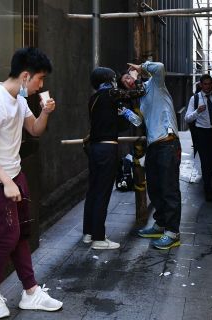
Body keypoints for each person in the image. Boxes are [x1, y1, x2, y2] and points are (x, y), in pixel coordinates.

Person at [0, 47, 62, 319]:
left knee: (21, 232)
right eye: (39, 79)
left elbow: (34, 130)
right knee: (8, 236)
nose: (41, 85)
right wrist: (5, 182)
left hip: (14, 174)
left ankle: (31, 292)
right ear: (25, 76)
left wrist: (45, 112)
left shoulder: (19, 99)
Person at [120, 61, 182, 250]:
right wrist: (125, 112)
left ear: (137, 75)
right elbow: (140, 120)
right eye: (125, 82)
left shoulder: (155, 84)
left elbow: (161, 67)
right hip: (153, 145)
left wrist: (142, 66)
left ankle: (173, 232)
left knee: (168, 188)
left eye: (128, 77)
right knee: (155, 188)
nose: (128, 82)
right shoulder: (141, 98)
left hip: (167, 142)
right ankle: (160, 224)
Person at [82, 67, 144, 250]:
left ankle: (89, 232)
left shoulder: (95, 99)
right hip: (106, 148)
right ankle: (99, 239)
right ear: (107, 80)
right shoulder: (110, 93)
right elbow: (138, 92)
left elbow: (129, 121)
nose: (117, 80)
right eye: (115, 77)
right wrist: (135, 78)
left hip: (94, 148)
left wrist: (125, 112)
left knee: (93, 191)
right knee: (102, 192)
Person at [185, 74, 212, 201]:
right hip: (201, 133)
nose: (207, 86)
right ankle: (207, 188)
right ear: (201, 85)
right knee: (205, 161)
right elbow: (187, 117)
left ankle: (208, 180)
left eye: (209, 84)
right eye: (205, 84)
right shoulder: (194, 99)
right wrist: (197, 111)